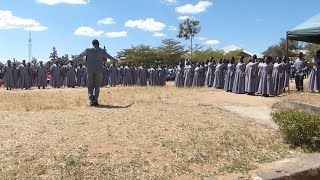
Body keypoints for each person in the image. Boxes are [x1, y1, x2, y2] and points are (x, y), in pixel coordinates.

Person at [77, 39, 118, 106]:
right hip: (99, 70)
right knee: (97, 86)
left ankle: (91, 100)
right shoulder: (102, 50)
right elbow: (109, 57)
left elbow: (80, 55)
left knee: (90, 86)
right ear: (98, 44)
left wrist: (72, 60)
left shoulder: (88, 50)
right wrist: (116, 60)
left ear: (92, 44)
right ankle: (95, 100)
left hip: (90, 70)